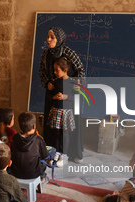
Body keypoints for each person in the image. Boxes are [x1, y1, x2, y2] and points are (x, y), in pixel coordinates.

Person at [39, 26, 85, 163]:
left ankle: (72, 153)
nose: (48, 40)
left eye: (52, 37)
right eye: (48, 36)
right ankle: (52, 153)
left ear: (59, 39)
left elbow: (80, 70)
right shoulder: (45, 54)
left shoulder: (68, 52)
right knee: (53, 127)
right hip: (52, 94)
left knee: (70, 127)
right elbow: (42, 71)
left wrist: (72, 87)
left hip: (69, 95)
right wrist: (47, 82)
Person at [48, 57, 77, 167]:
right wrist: (53, 96)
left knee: (65, 133)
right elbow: (50, 96)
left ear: (65, 70)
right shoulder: (55, 82)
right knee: (56, 133)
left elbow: (77, 96)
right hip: (56, 110)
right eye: (54, 70)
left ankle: (64, 155)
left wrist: (66, 96)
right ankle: (57, 153)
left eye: (57, 70)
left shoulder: (72, 82)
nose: (55, 72)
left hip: (66, 111)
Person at [11, 112, 49, 182]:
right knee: (43, 162)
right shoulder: (39, 140)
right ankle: (42, 178)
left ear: (20, 126)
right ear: (34, 126)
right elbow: (44, 156)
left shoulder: (15, 138)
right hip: (33, 174)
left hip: (16, 172)